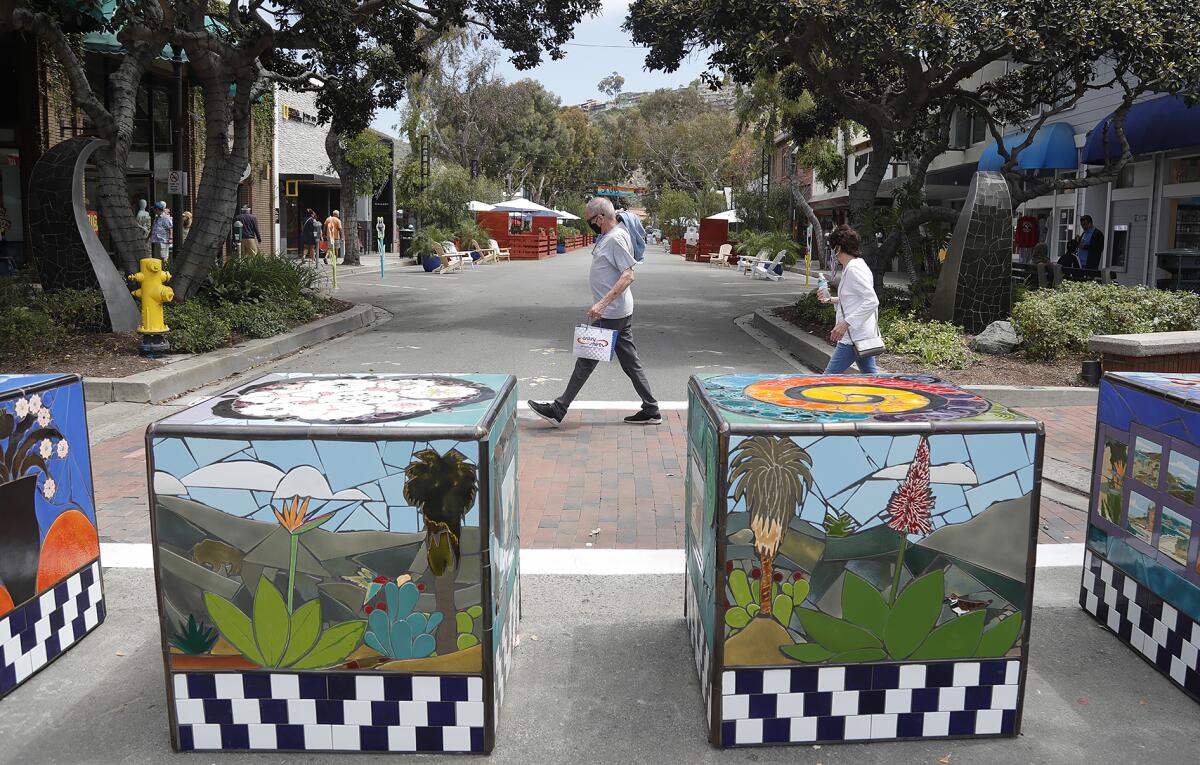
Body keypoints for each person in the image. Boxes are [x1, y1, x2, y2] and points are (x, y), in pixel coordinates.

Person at [528, 196, 660, 426]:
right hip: (619, 311)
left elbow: (628, 275)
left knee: (586, 362)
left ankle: (559, 409)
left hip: (611, 312)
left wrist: (602, 303)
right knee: (630, 363)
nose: (589, 223)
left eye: (590, 219)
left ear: (600, 218)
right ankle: (651, 409)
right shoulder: (609, 236)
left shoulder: (615, 239)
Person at [819, 224, 880, 374]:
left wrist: (845, 324)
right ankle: (890, 396)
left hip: (853, 338)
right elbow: (853, 299)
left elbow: (872, 300)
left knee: (827, 380)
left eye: (832, 249)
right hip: (861, 337)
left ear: (838, 248)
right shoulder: (857, 265)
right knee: (872, 379)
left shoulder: (854, 269)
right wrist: (830, 299)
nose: (833, 253)